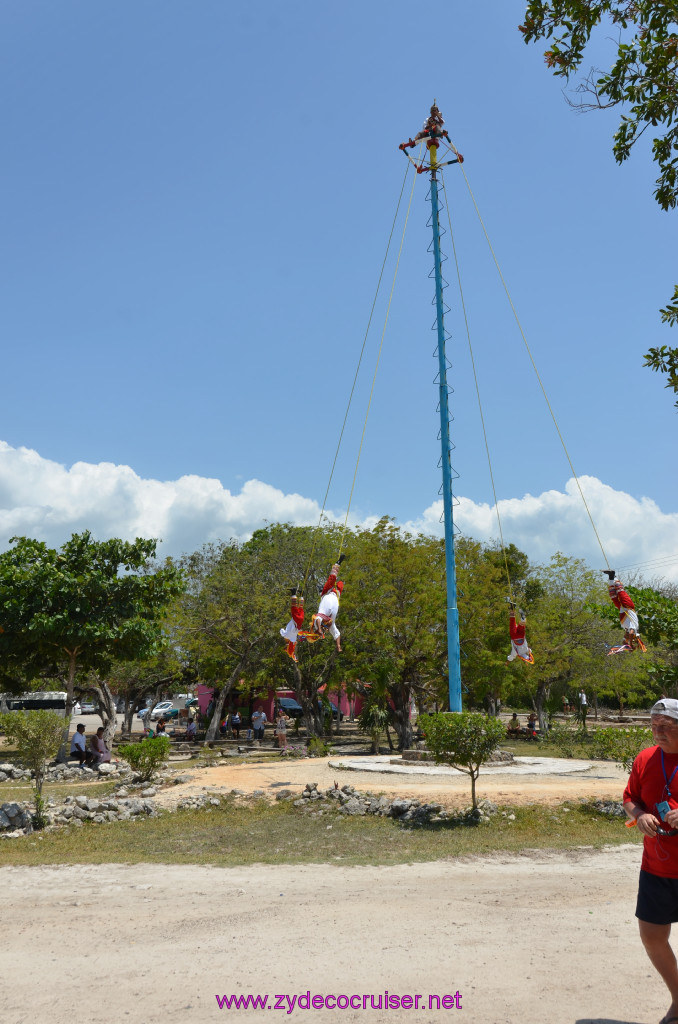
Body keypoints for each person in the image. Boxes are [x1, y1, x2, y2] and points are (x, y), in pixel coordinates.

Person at [623, 698, 678, 1024]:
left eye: (666, 728)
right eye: (654, 726)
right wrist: (640, 815)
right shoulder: (645, 758)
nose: (657, 733)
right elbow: (630, 797)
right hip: (656, 866)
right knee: (652, 936)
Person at [604, 570, 647, 654]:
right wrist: (631, 644)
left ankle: (611, 576)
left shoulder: (626, 628)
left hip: (622, 608)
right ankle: (614, 576)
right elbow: (631, 633)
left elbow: (625, 640)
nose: (626, 636)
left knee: (613, 594)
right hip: (628, 606)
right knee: (620, 591)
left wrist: (625, 647)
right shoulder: (634, 628)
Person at [311, 559, 345, 653]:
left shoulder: (319, 619)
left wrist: (319, 629)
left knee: (332, 580)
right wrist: (338, 646)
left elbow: (318, 618)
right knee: (340, 584)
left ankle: (337, 564)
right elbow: (337, 634)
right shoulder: (330, 626)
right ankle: (337, 565)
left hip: (327, 595)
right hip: (335, 600)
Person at [280, 592, 306, 663]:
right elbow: (281, 630)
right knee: (293, 608)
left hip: (300, 621)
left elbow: (292, 650)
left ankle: (301, 596)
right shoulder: (285, 635)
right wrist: (287, 643)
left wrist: (294, 657)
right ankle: (293, 593)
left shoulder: (293, 638)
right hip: (296, 620)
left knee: (301, 609)